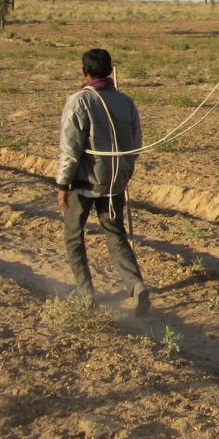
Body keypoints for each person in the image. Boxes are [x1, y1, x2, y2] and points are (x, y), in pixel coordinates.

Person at [56, 47, 150, 315]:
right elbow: (135, 144)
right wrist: (123, 173)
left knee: (74, 238)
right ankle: (136, 286)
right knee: (116, 235)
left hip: (83, 183)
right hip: (114, 183)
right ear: (109, 71)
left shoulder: (79, 101)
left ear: (84, 71)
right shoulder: (126, 102)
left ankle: (86, 293)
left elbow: (70, 147)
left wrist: (63, 185)